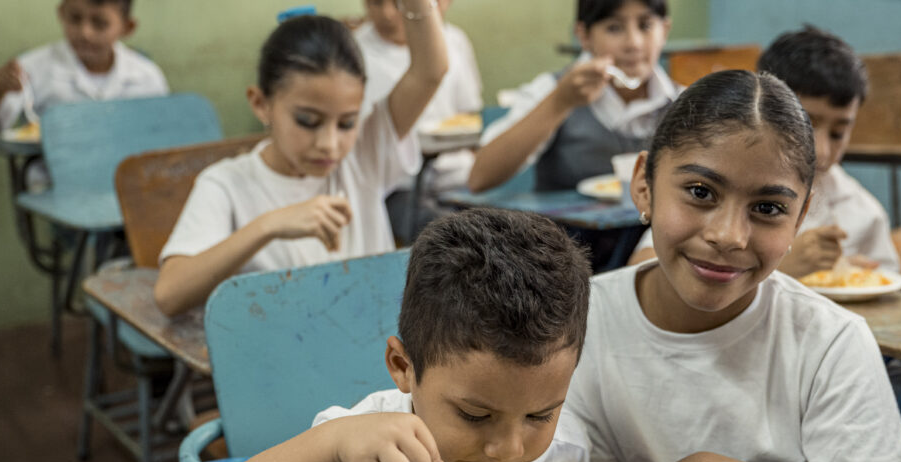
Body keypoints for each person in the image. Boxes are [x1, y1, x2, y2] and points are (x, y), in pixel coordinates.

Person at [567, 70, 901, 462]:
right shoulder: (586, 322)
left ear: (801, 217)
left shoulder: (830, 342)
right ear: (643, 185)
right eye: (700, 192)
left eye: (768, 209)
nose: (729, 236)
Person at [199, 208, 594, 462]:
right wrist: (332, 447)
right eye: (475, 415)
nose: (507, 450)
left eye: (540, 416)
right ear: (403, 366)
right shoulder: (359, 446)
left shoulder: (574, 451)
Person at [154, 8, 447, 316]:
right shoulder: (225, 184)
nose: (329, 144)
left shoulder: (364, 152)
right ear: (261, 104)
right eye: (308, 121)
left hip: (374, 339)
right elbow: (169, 295)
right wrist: (268, 226)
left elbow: (431, 71)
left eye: (347, 123)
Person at [629, 25, 899, 276]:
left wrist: (849, 274)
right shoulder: (715, 174)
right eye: (805, 126)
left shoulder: (863, 211)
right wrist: (783, 269)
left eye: (838, 133)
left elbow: (887, 281)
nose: (822, 150)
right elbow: (639, 271)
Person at [469, 0, 678, 270]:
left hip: (653, 261)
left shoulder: (683, 103)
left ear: (665, 30)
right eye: (614, 28)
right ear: (584, 35)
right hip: (560, 264)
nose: (634, 43)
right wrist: (560, 102)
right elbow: (480, 177)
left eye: (646, 25)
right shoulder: (554, 89)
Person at [354, 0, 482, 244]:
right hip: (398, 185)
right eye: (376, 3)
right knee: (448, 236)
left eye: (396, 3)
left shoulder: (454, 41)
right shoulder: (354, 53)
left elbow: (469, 113)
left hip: (456, 174)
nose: (387, 14)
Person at [0, 0, 169, 131]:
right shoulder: (32, 67)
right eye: (74, 18)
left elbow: (164, 133)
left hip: (130, 174)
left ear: (127, 27)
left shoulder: (147, 75)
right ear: (61, 13)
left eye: (100, 24)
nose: (85, 33)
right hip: (49, 174)